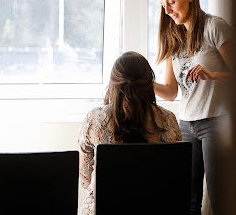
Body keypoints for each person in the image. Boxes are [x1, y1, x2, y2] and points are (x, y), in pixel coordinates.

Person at [153, 0, 233, 215]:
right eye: (162, 6)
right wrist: (142, 81)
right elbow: (170, 92)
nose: (167, 11)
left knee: (219, 196)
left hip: (215, 122)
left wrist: (212, 74)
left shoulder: (214, 26)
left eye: (171, 2)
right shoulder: (173, 37)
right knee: (188, 198)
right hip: (186, 124)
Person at [78, 51, 182, 215]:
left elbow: (85, 179)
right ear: (149, 83)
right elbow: (175, 176)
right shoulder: (168, 119)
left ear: (114, 84)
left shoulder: (96, 120)